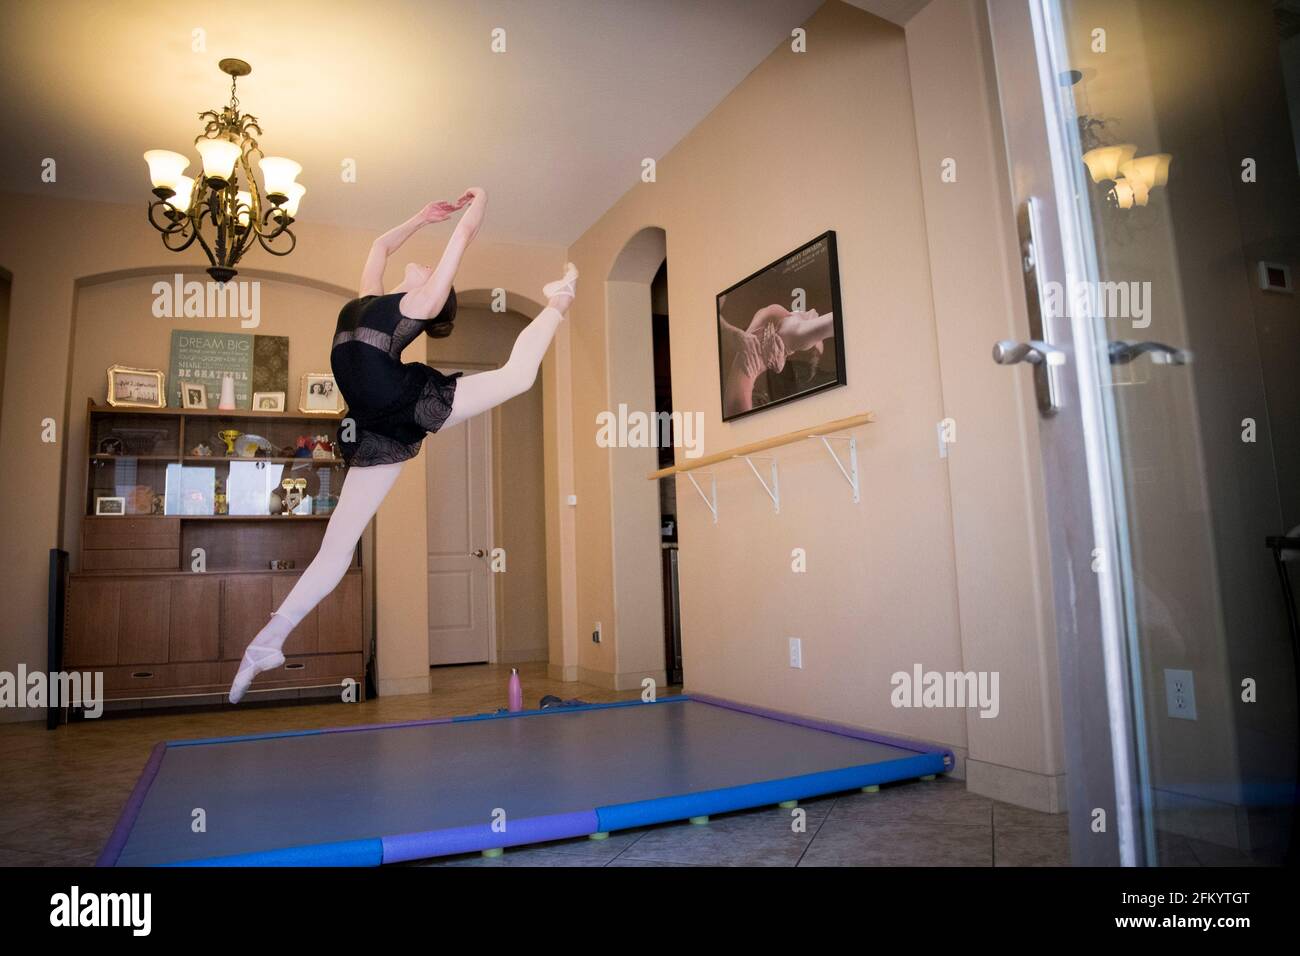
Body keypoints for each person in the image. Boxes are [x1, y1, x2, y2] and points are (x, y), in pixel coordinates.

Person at [228, 187, 578, 702]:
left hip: (410, 402)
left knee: (518, 377)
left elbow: (465, 233)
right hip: (375, 427)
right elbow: (379, 246)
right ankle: (266, 645)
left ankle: (560, 299)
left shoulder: (422, 302)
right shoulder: (371, 298)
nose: (420, 267)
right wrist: (421, 216)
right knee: (336, 548)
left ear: (433, 291)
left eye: (432, 274)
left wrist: (478, 200)